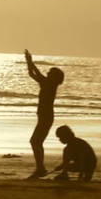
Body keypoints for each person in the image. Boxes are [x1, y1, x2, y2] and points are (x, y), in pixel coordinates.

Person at [24, 49, 64, 179]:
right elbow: (32, 74)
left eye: (50, 73)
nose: (47, 73)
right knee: (36, 142)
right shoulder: (48, 83)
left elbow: (37, 73)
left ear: (54, 77)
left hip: (46, 117)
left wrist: (30, 61)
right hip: (44, 117)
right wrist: (28, 62)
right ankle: (40, 167)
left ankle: (40, 168)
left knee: (35, 141)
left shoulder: (49, 84)